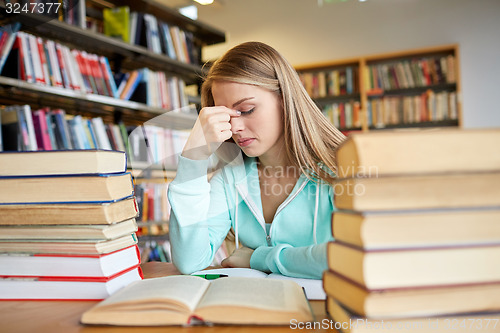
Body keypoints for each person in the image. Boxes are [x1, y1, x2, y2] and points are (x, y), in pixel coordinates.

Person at [167, 41, 345, 279]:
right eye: (225, 116)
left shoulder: (341, 170)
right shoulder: (230, 179)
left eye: (247, 109)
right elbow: (190, 261)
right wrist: (194, 158)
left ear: (285, 99)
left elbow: (348, 258)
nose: (235, 127)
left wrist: (259, 258)